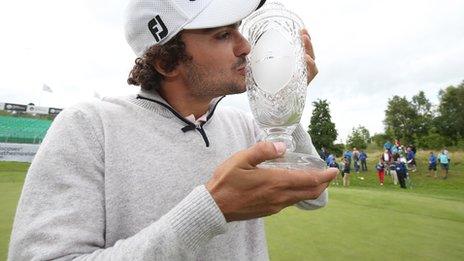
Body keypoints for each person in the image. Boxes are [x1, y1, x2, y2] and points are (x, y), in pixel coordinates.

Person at [8, 1, 337, 260]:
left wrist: (283, 102)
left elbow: (315, 195)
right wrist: (213, 209)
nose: (245, 47)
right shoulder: (90, 127)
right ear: (166, 61)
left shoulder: (245, 125)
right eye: (223, 35)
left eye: (238, 29)